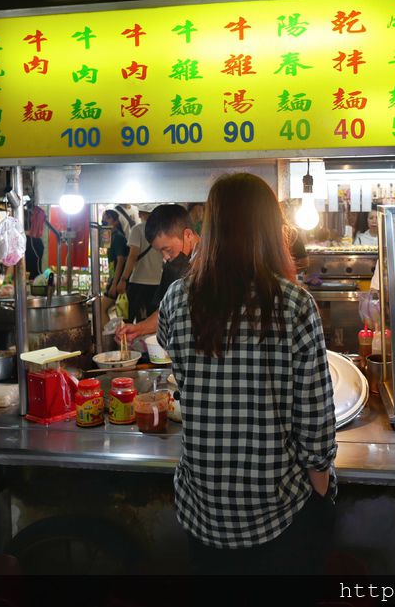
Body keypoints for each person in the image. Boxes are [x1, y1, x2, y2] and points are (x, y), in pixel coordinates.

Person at [156, 173, 336, 576]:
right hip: (279, 512)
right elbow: (316, 423)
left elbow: (178, 372)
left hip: (202, 508)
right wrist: (321, 490)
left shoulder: (175, 300)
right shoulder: (295, 304)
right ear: (271, 229)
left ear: (211, 228)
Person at [116, 204, 200, 344]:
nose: (165, 257)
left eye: (168, 249)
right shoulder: (172, 267)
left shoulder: (214, 263)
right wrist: (138, 329)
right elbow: (164, 312)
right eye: (160, 251)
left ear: (188, 235)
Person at [121, 204, 165, 321]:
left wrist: (123, 279)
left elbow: (132, 256)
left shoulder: (137, 229)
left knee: (128, 319)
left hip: (138, 281)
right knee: (152, 321)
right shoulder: (161, 230)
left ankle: (129, 339)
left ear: (140, 214)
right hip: (157, 282)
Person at [100, 209, 130, 315]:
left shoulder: (118, 237)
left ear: (116, 221)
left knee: (101, 310)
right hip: (114, 279)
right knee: (119, 314)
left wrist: (114, 283)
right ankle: (110, 331)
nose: (104, 219)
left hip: (117, 281)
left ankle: (108, 331)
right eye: (103, 217)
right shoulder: (111, 235)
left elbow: (120, 261)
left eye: (108, 217)